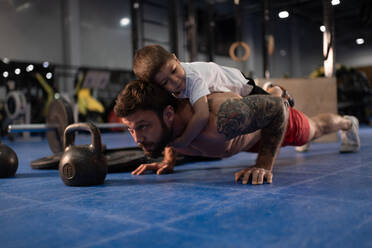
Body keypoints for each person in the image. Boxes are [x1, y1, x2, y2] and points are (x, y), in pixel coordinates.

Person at [114, 80, 360, 185]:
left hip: (268, 125)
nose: (137, 138)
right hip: (241, 135)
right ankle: (265, 91)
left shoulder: (217, 118)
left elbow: (277, 110)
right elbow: (170, 134)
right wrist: (168, 161)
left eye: (143, 126)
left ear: (168, 115)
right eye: (130, 128)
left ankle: (348, 124)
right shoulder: (166, 126)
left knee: (315, 129)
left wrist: (264, 164)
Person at [133, 45, 286, 149]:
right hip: (222, 84)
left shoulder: (192, 78)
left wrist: (184, 140)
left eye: (174, 70)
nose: (175, 80)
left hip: (242, 85)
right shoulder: (171, 82)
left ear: (176, 59)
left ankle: (276, 89)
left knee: (273, 102)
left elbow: (202, 115)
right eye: (165, 81)